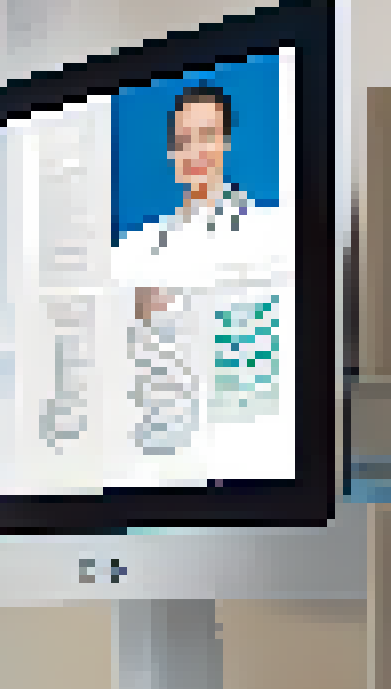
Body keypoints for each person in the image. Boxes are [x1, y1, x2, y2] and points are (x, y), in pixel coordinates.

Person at [112, 83, 294, 457]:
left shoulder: (272, 232)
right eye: (183, 140)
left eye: (206, 136)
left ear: (226, 142)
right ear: (170, 152)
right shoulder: (138, 248)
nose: (194, 152)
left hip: (245, 443)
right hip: (159, 444)